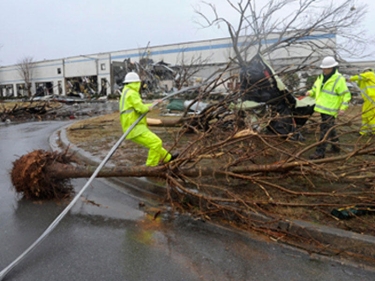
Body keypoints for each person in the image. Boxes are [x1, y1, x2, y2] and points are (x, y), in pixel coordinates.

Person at [119, 72, 178, 166]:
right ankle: (151, 166)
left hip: (132, 125)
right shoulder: (132, 93)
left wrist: (153, 104)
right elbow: (141, 109)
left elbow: (138, 107)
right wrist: (148, 107)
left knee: (154, 143)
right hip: (134, 127)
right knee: (156, 142)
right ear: (136, 83)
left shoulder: (126, 92)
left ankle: (168, 158)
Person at [306, 56, 351, 160]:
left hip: (331, 110)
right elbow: (316, 90)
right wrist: (310, 92)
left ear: (332, 68)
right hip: (323, 109)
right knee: (330, 129)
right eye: (323, 68)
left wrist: (343, 108)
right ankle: (336, 147)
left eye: (326, 68)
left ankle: (320, 152)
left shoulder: (339, 79)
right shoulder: (321, 77)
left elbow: (346, 95)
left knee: (324, 131)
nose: (324, 70)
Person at [347, 68, 375, 135]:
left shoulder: (370, 74)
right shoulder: (365, 79)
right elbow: (359, 82)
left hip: (372, 98)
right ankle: (364, 132)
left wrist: (350, 78)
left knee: (371, 115)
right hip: (368, 99)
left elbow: (359, 77)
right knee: (364, 115)